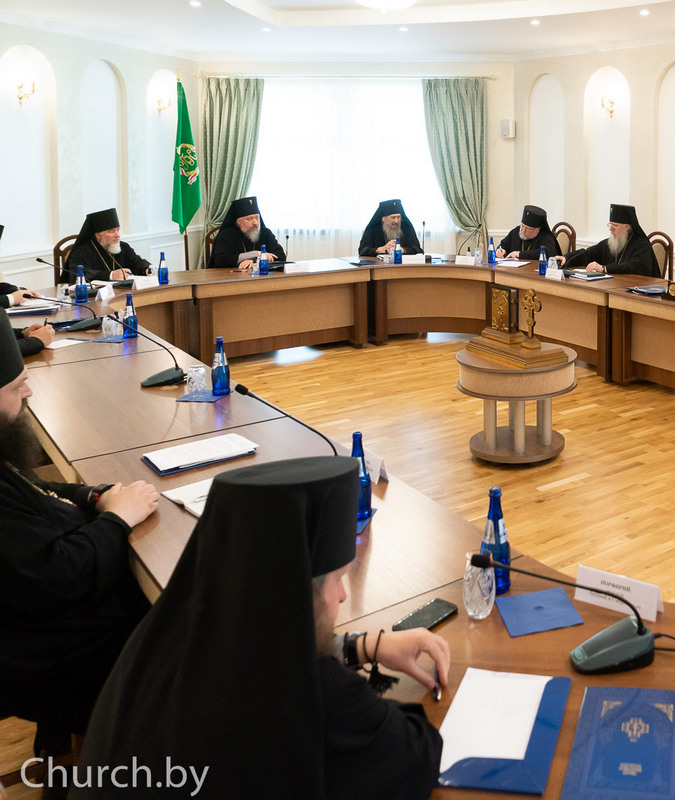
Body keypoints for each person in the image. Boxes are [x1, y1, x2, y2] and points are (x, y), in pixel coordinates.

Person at [77, 457, 448, 799]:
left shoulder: (167, 635)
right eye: (337, 579)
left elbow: (268, 640)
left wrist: (359, 646)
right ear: (297, 591)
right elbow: (418, 752)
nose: (341, 595)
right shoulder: (314, 694)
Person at [0, 321, 158, 760]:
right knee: (173, 610)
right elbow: (56, 576)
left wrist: (93, 496)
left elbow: (33, 488)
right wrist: (118, 520)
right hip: (42, 654)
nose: (28, 392)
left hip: (36, 621)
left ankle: (57, 740)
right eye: (16, 386)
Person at [560, 204, 657, 277]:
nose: (611, 229)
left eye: (615, 226)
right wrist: (566, 258)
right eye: (610, 225)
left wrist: (605, 268)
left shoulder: (642, 244)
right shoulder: (611, 243)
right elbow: (588, 253)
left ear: (627, 226)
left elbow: (634, 267)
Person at [70, 208, 151, 283]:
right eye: (112, 231)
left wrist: (147, 269)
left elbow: (137, 262)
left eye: (118, 230)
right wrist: (111, 275)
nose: (117, 235)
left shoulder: (123, 247)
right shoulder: (81, 252)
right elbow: (80, 274)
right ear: (98, 235)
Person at [209, 196, 286, 270]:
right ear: (239, 222)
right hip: (231, 275)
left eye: (257, 218)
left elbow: (280, 256)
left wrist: (256, 261)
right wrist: (256, 254)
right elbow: (222, 260)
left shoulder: (265, 233)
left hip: (261, 276)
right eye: (249, 219)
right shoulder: (227, 234)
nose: (255, 223)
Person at [496, 205, 560, 261]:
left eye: (528, 229)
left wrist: (519, 254)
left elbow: (545, 253)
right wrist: (500, 250)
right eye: (522, 226)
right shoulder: (516, 231)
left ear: (537, 229)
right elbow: (503, 244)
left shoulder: (546, 237)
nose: (523, 230)